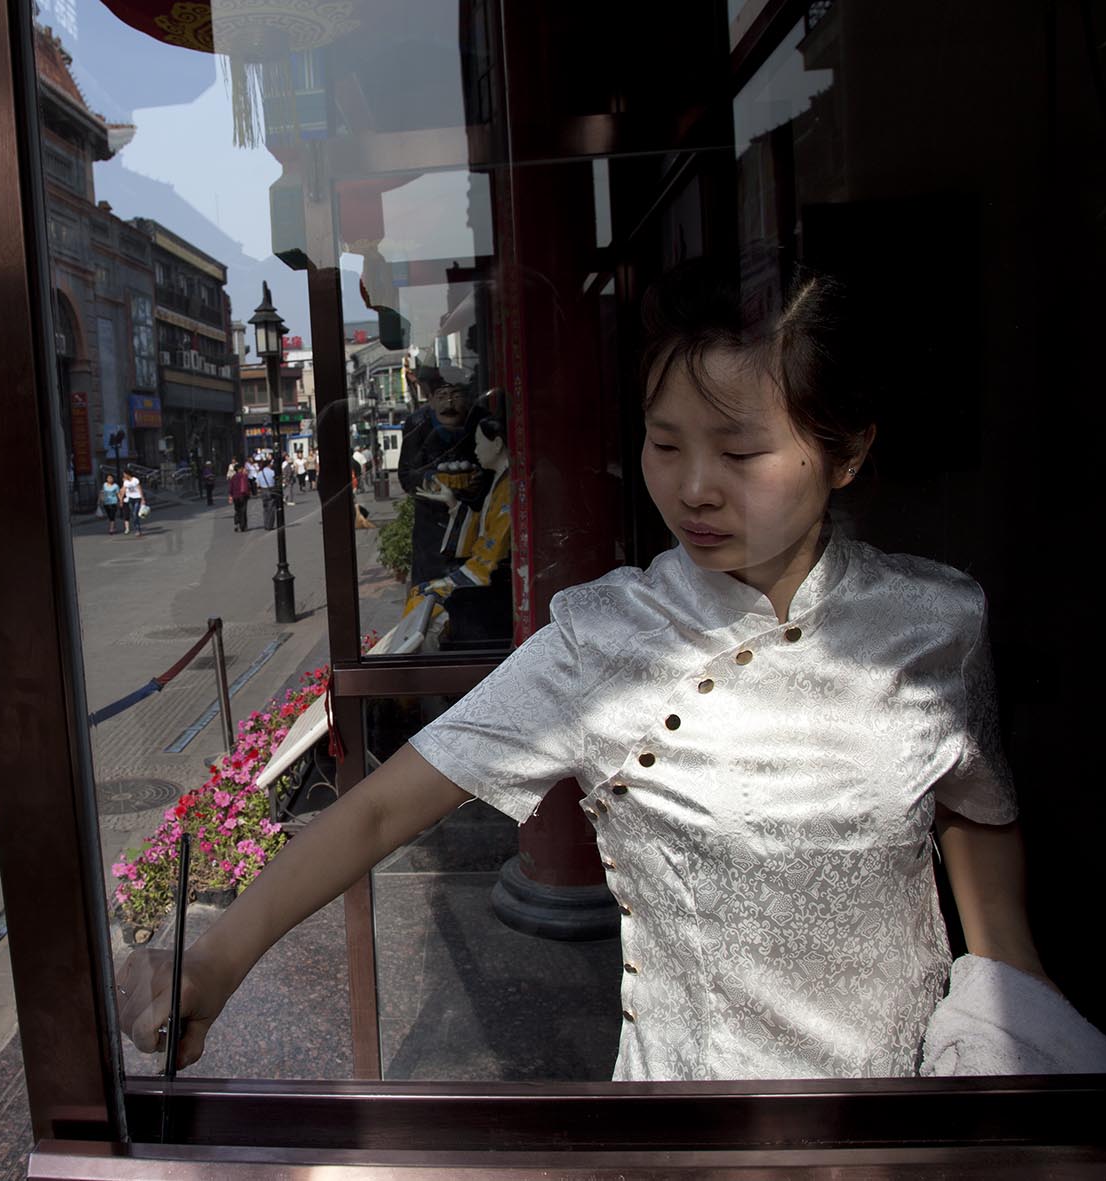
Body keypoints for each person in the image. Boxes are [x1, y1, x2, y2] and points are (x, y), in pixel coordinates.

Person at [117, 266, 1049, 1084]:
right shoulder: (603, 639)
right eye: (664, 441)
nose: (692, 487)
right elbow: (378, 806)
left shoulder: (937, 620)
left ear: (846, 453)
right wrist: (219, 957)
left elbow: (972, 801)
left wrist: (1015, 1001)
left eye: (740, 452)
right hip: (697, 1122)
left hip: (907, 1109)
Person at [397, 366, 488, 586]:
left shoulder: (481, 422)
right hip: (433, 531)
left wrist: (480, 480)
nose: (449, 404)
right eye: (442, 396)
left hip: (477, 526)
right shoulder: (417, 424)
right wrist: (432, 481)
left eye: (456, 395)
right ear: (430, 400)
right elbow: (407, 475)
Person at [253, 455, 279, 529]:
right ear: (269, 464)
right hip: (271, 490)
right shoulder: (272, 472)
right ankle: (270, 525)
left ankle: (266, 524)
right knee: (271, 508)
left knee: (265, 508)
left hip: (263, 491)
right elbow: (276, 481)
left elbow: (257, 484)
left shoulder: (260, 473)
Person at [227, 460, 251, 532]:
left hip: (235, 496)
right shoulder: (244, 476)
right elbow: (247, 486)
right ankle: (243, 526)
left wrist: (230, 495)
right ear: (240, 469)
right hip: (243, 496)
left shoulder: (233, 477)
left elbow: (231, 488)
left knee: (237, 510)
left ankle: (237, 523)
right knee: (243, 511)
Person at [121, 470, 145, 537]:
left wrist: (142, 498)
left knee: (135, 514)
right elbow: (123, 490)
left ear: (127, 474)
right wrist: (121, 499)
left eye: (124, 474)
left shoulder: (135, 480)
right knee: (134, 514)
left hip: (137, 498)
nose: (124, 476)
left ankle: (138, 530)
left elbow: (139, 489)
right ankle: (137, 528)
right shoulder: (125, 482)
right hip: (130, 499)